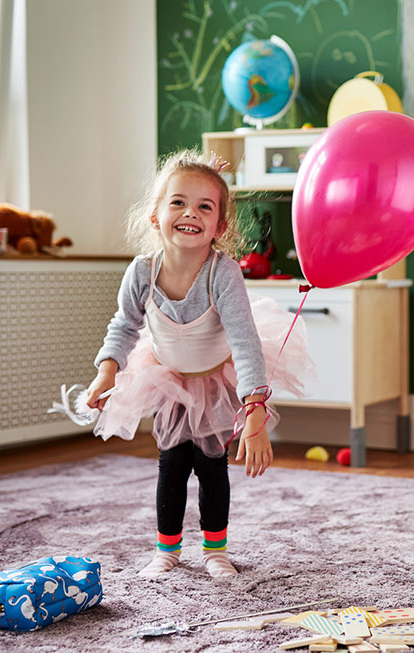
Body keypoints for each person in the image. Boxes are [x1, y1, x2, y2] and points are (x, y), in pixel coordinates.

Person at [85, 150, 307, 577]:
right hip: (168, 376)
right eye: (178, 202)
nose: (191, 213)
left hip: (215, 378)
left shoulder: (222, 273)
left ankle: (215, 550)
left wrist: (255, 412)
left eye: (205, 206)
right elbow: (124, 326)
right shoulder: (141, 272)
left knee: (210, 465)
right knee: (171, 463)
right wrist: (106, 370)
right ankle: (166, 550)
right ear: (155, 215)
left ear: (219, 226)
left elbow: (244, 344)